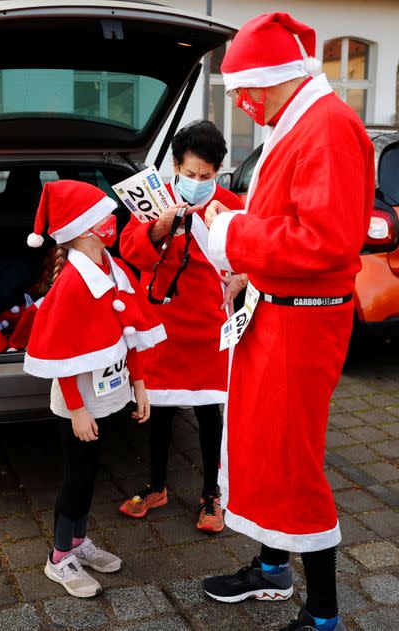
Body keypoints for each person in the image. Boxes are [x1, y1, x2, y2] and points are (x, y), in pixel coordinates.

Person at [200, 13, 373, 631]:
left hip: (301, 324)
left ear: (276, 79)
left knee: (292, 457)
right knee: (260, 445)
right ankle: (273, 568)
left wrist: (233, 235)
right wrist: (231, 232)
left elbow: (326, 240)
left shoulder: (326, 128)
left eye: (247, 91)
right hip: (277, 310)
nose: (243, 105)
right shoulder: (300, 119)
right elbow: (286, 215)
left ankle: (323, 610)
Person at [23, 180, 166, 597]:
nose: (114, 221)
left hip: (107, 394)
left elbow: (130, 330)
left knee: (91, 473)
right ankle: (59, 557)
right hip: (79, 402)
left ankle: (78, 542)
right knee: (77, 477)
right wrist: (77, 409)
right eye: (105, 216)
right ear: (84, 228)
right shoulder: (70, 284)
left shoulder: (112, 268)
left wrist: (140, 384)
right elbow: (61, 356)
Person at [118, 121, 242, 533]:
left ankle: (211, 493)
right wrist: (160, 226)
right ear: (175, 165)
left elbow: (250, 255)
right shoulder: (154, 197)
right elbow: (128, 249)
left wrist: (240, 274)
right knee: (158, 407)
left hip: (208, 322)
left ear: (218, 171)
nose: (197, 182)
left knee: (209, 410)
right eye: (190, 174)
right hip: (161, 322)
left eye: (206, 176)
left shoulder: (227, 202)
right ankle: (157, 485)